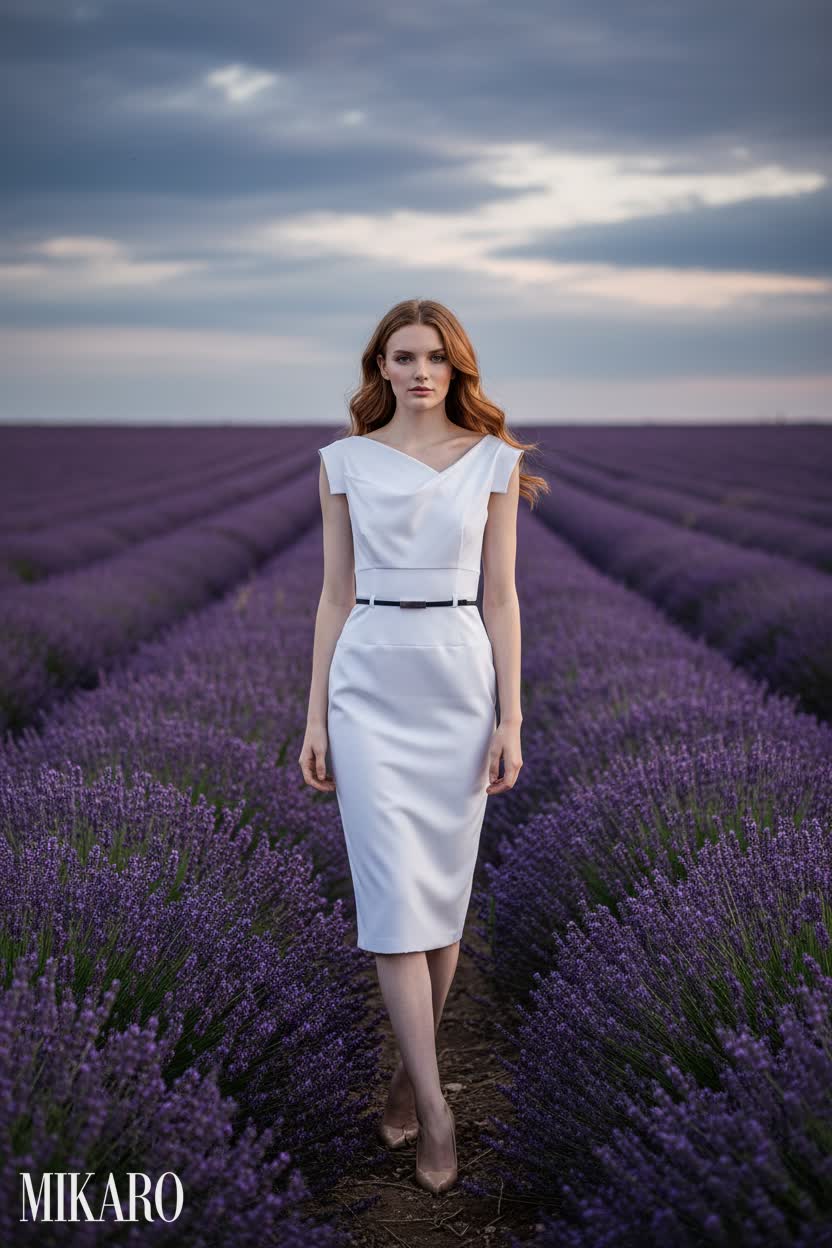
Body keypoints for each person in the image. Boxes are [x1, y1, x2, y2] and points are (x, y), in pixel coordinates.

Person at [300, 298, 546, 1196]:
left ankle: (412, 1071)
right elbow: (332, 595)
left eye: (435, 357)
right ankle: (439, 1108)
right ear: (380, 367)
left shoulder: (493, 459)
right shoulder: (343, 462)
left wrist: (510, 719)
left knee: (443, 894)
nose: (419, 371)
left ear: (457, 368)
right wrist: (316, 716)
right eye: (403, 356)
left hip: (456, 675)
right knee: (394, 894)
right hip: (369, 677)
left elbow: (504, 600)